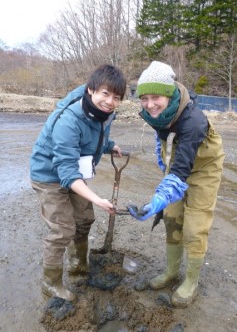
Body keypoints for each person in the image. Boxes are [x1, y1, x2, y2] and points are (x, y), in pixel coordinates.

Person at [127, 61, 225, 307]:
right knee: (171, 217)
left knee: (194, 227)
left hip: (204, 169)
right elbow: (166, 144)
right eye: (144, 98)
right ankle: (172, 272)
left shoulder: (194, 121)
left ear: (169, 94)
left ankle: (191, 280)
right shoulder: (161, 113)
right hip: (178, 164)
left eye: (155, 97)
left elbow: (182, 170)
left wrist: (159, 197)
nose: (150, 105)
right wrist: (164, 169)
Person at [30, 64, 126, 302]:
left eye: (116, 97)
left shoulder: (106, 113)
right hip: (49, 175)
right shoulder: (68, 120)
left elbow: (94, 136)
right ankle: (50, 283)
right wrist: (97, 199)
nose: (110, 101)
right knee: (62, 229)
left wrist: (108, 145)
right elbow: (68, 174)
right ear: (91, 90)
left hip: (73, 170)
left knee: (84, 220)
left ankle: (77, 265)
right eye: (105, 93)